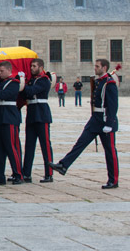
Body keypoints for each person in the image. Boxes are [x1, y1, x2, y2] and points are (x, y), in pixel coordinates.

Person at [50, 59, 119, 189]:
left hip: (105, 120)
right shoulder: (99, 81)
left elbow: (113, 105)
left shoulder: (109, 83)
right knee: (80, 143)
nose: (95, 68)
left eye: (97, 66)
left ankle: (113, 180)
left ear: (104, 68)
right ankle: (64, 165)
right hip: (95, 120)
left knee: (110, 151)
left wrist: (110, 123)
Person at [0, 61, 23, 185]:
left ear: (9, 70)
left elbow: (3, 95)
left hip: (9, 118)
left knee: (11, 147)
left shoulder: (14, 83)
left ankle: (18, 174)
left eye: (2, 71)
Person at [21, 59, 54, 183]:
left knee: (45, 145)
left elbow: (30, 91)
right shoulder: (32, 80)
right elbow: (25, 95)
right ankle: (26, 173)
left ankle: (49, 173)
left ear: (41, 67)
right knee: (29, 145)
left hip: (41, 114)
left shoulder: (44, 80)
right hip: (32, 114)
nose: (31, 68)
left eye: (34, 66)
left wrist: (23, 84)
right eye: (31, 66)